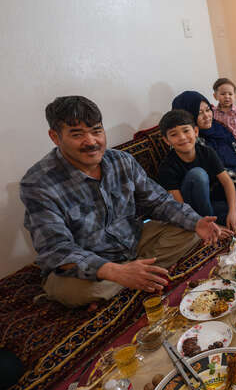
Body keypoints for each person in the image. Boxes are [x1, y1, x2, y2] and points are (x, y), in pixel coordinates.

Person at [20, 96, 225, 308]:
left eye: (97, 131)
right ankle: (136, 274)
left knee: (190, 230)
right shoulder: (38, 183)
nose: (91, 141)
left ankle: (134, 275)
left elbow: (159, 202)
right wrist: (112, 270)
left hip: (132, 240)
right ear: (55, 137)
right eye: (77, 134)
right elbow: (56, 249)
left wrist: (196, 221)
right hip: (87, 262)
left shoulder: (121, 160)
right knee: (77, 290)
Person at [157, 109, 236, 231]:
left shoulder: (207, 152)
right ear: (167, 140)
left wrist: (232, 213)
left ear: (195, 131)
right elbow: (179, 206)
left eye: (186, 131)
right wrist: (202, 223)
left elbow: (227, 182)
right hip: (188, 212)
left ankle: (211, 225)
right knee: (198, 174)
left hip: (206, 204)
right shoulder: (167, 166)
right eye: (174, 135)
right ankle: (208, 227)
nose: (182, 137)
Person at [212, 78, 236, 147]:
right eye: (223, 94)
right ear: (215, 96)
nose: (227, 97)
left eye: (230, 94)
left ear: (235, 96)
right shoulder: (214, 112)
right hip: (225, 144)